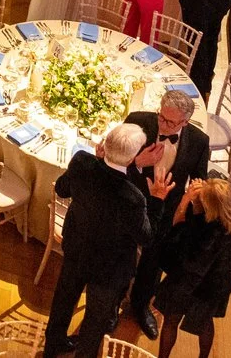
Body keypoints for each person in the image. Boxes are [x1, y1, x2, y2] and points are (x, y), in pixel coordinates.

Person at [42, 123, 153, 358]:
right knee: (95, 323)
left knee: (63, 301)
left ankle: (52, 348)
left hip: (76, 249)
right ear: (133, 157)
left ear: (104, 144)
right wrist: (159, 201)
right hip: (109, 269)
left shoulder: (83, 162)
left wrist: (97, 161)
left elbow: (62, 190)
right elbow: (146, 237)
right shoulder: (133, 198)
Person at [124, 89, 214, 335]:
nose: (162, 126)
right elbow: (114, 163)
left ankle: (140, 305)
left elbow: (199, 178)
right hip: (131, 198)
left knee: (153, 261)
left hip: (166, 207)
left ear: (185, 122)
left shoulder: (198, 141)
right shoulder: (137, 122)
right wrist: (136, 163)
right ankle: (111, 305)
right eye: (161, 117)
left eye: (170, 122)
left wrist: (192, 196)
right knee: (122, 255)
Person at [154, 176, 231, 358]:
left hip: (188, 285)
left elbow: (175, 246)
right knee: (205, 323)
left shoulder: (206, 233)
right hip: (214, 288)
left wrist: (185, 202)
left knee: (170, 321)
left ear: (212, 207)